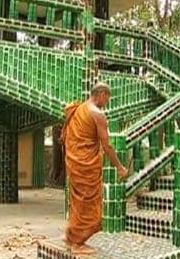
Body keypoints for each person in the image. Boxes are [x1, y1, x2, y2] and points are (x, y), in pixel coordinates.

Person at [61, 82, 129, 255]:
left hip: (75, 162)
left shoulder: (79, 109)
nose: (107, 102)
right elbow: (107, 146)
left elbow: (67, 137)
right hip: (86, 166)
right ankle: (78, 243)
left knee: (78, 202)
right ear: (101, 94)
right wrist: (120, 167)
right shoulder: (97, 115)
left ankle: (71, 238)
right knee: (89, 207)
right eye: (108, 98)